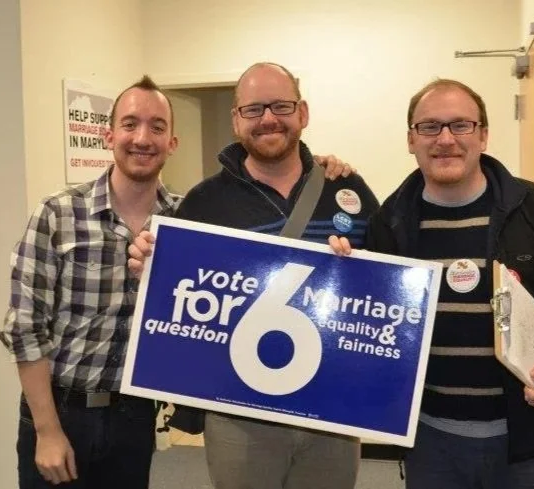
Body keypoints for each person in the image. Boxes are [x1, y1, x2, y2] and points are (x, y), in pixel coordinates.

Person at [0, 74, 352, 489]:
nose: (142, 138)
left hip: (134, 416)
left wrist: (320, 170)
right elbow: (25, 329)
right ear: (108, 134)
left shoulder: (191, 219)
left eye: (158, 127)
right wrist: (47, 431)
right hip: (60, 411)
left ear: (172, 143)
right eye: (130, 124)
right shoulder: (56, 214)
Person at [330, 79, 534, 489]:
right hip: (431, 444)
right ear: (411, 139)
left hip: (528, 443)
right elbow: (371, 323)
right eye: (429, 127)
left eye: (460, 125)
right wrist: (340, 269)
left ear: (483, 134)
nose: (445, 139)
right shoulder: (388, 224)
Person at [129, 62, 380, 489]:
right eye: (253, 109)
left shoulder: (349, 189)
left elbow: (384, 287)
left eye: (281, 106)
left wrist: (357, 269)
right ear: (236, 120)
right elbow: (178, 302)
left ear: (302, 112)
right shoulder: (204, 203)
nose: (268, 118)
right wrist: (148, 268)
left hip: (331, 413)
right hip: (239, 417)